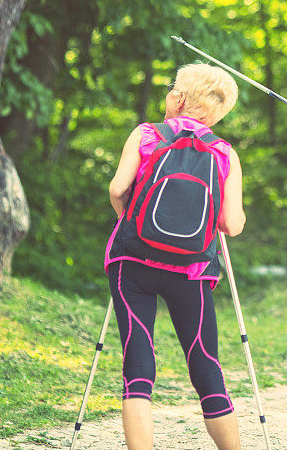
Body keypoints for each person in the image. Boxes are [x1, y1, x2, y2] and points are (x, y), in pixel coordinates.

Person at [105, 63, 245, 450]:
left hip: (132, 263)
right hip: (192, 270)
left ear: (179, 98)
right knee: (205, 363)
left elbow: (119, 189)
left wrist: (133, 225)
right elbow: (231, 224)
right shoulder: (224, 154)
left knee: (137, 363)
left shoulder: (146, 134)